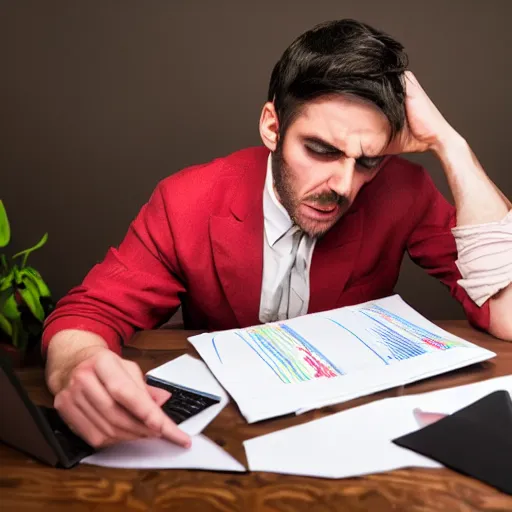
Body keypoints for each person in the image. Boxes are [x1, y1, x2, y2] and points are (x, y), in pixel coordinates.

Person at [42, 19, 512, 450]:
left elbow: (505, 312)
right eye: (321, 150)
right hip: (223, 441)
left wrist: (450, 145)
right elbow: (90, 311)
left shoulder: (402, 191)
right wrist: (76, 367)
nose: (344, 186)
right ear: (272, 126)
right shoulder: (187, 199)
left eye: (367, 160)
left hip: (345, 439)